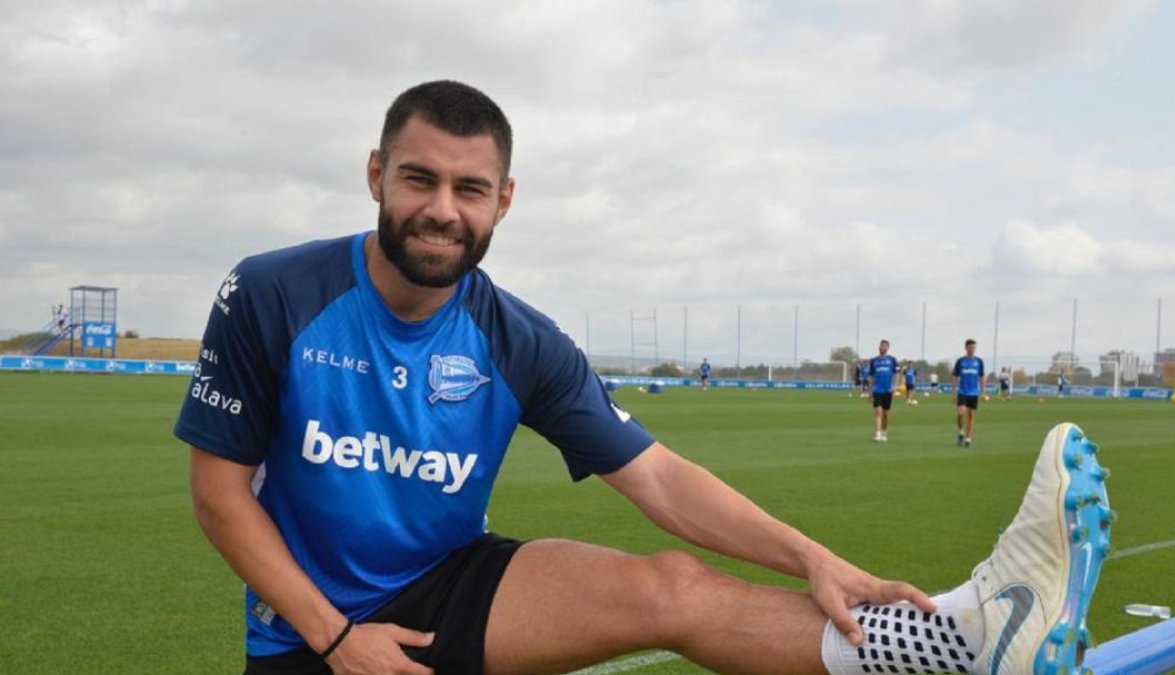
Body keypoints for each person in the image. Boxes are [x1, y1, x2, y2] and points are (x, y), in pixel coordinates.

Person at [175, 80, 1110, 675]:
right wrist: (336, 638)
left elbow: (656, 474)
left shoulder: (517, 338)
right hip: (307, 627)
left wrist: (813, 558)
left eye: (469, 189)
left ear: (504, 200)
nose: (440, 210)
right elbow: (220, 496)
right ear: (377, 175)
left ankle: (955, 641)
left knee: (670, 584)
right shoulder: (274, 293)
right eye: (418, 180)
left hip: (449, 579)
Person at [953, 339, 987, 448]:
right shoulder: (960, 361)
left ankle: (968, 439)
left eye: (974, 347)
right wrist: (953, 391)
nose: (972, 349)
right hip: (962, 391)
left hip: (974, 392)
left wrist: (983, 392)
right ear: (966, 348)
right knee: (960, 413)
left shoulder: (979, 362)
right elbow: (954, 375)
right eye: (971, 347)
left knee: (971, 416)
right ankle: (961, 432)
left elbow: (981, 376)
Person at [867, 340, 899, 442]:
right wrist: (870, 391)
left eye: (885, 346)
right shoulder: (874, 361)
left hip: (888, 390)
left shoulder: (892, 360)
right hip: (877, 389)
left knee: (886, 414)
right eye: (881, 346)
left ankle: (884, 432)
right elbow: (871, 377)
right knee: (878, 412)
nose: (882, 348)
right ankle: (877, 434)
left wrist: (895, 386)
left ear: (887, 348)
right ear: (879, 347)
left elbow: (897, 373)